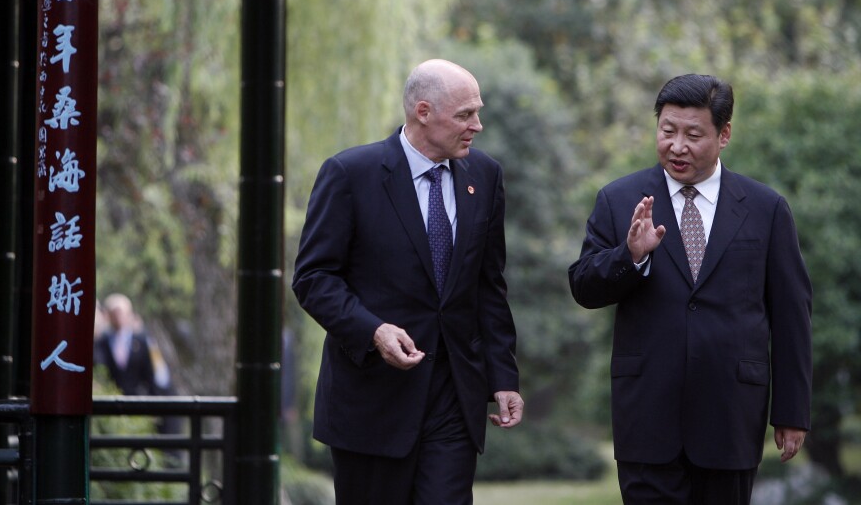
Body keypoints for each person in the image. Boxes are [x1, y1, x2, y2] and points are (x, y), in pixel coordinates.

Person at [568, 74, 812, 504]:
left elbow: (791, 313)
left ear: (724, 135)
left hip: (731, 414)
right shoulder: (620, 199)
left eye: (693, 134)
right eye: (667, 131)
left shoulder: (765, 208)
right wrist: (631, 257)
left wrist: (792, 412)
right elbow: (584, 287)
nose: (677, 146)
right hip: (647, 417)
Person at [292, 59, 524, 504]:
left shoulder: (485, 176)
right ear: (423, 111)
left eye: (476, 112)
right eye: (464, 115)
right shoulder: (350, 174)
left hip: (455, 398)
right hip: (373, 401)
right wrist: (374, 330)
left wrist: (503, 377)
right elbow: (314, 278)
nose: (477, 125)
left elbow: (488, 286)